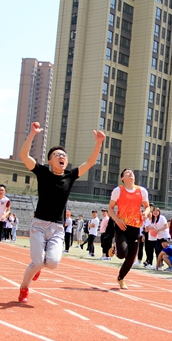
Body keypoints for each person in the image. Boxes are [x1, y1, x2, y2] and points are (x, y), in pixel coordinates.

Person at [17, 121, 104, 303]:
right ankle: (24, 288)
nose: (61, 157)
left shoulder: (70, 176)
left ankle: (39, 266)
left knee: (53, 263)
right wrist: (32, 134)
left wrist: (98, 143)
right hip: (39, 224)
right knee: (37, 262)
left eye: (63, 155)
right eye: (57, 155)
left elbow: (90, 162)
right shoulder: (42, 173)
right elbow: (24, 155)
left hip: (57, 228)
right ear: (50, 161)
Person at [107, 168, 150, 289]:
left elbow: (147, 207)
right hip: (122, 226)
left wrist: (145, 213)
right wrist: (117, 219)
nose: (130, 173)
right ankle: (116, 248)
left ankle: (121, 278)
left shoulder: (142, 191)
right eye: (127, 173)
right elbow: (110, 208)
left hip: (135, 228)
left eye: (132, 172)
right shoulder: (118, 190)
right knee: (122, 254)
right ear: (122, 178)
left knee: (131, 259)